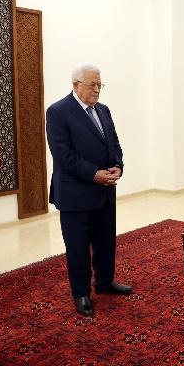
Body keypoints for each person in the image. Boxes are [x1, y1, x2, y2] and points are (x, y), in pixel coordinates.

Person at [46, 62, 132, 317]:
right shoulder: (58, 112)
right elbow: (63, 154)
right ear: (76, 85)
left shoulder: (103, 110)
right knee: (78, 247)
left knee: (106, 243)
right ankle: (81, 293)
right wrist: (94, 174)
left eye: (99, 85)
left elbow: (114, 144)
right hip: (76, 194)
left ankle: (104, 282)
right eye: (92, 85)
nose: (97, 90)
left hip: (105, 191)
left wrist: (117, 165)